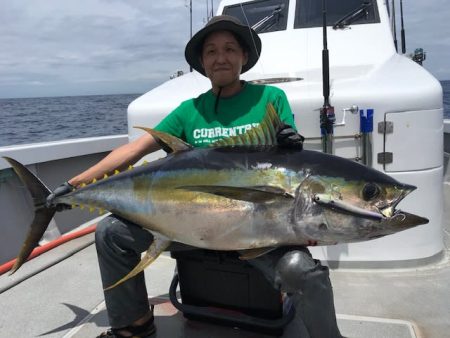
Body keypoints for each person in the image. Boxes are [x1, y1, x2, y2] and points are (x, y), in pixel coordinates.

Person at [47, 15, 342, 338]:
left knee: (303, 271)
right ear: (202, 62)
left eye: (230, 49)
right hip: (188, 226)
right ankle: (134, 326)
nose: (221, 58)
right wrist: (73, 186)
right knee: (111, 233)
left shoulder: (270, 99)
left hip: (257, 228)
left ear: (244, 56)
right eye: (211, 51)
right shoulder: (190, 110)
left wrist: (290, 145)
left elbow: (289, 171)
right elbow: (134, 151)